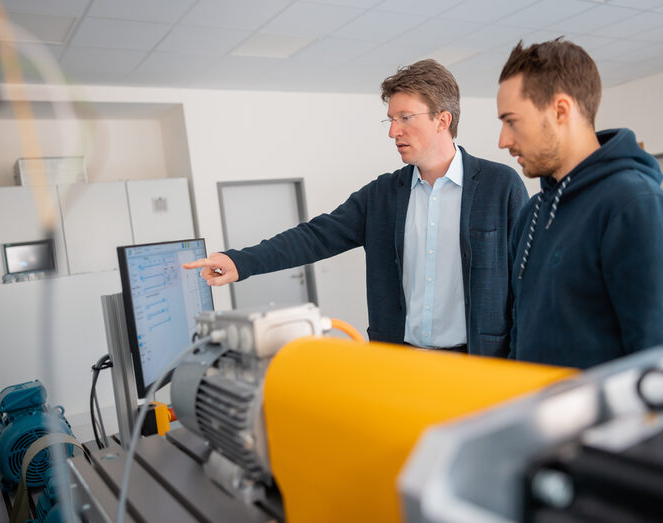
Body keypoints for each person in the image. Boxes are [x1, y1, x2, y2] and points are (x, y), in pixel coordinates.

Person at [185, 59, 527, 355]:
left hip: (482, 364)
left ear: (442, 120)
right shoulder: (382, 196)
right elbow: (315, 236)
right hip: (399, 362)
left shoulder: (501, 186)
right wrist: (239, 261)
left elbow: (526, 283)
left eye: (405, 117)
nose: (393, 131)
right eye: (391, 119)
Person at [496, 39, 663, 369]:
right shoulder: (533, 213)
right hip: (538, 415)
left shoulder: (636, 207)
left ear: (560, 110)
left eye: (511, 121)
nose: (503, 140)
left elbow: (661, 364)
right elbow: (521, 335)